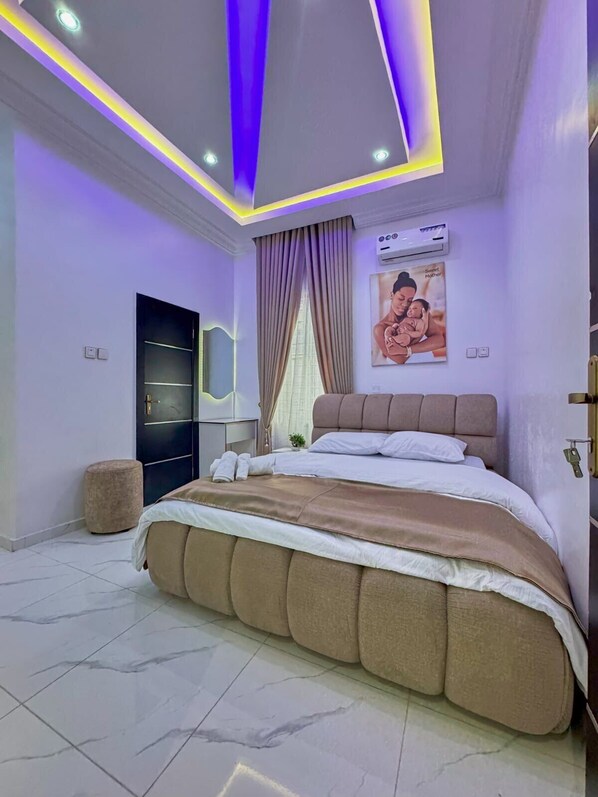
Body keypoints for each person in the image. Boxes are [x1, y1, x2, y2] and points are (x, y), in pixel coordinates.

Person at [373, 272, 445, 364]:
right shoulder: (380, 328)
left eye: (410, 300)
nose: (405, 304)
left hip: (429, 366)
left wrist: (406, 349)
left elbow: (440, 341)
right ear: (392, 295)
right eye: (401, 298)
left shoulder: (417, 313)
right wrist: (421, 331)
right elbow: (400, 359)